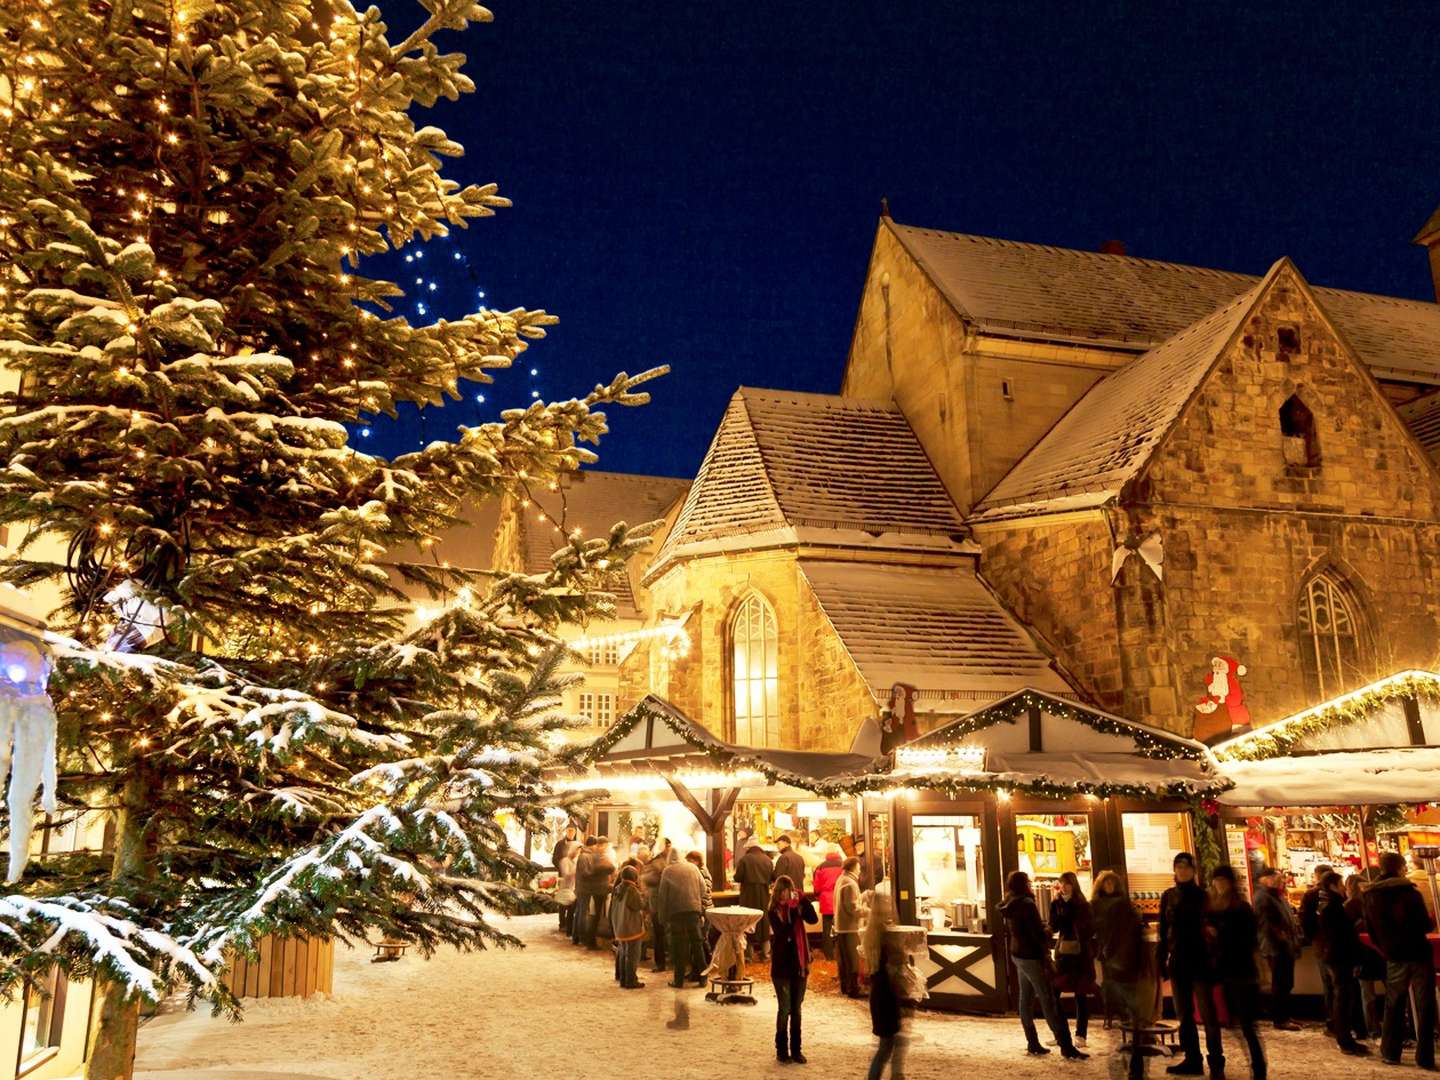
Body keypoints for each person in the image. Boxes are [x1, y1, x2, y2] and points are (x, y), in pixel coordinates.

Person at [999, 870, 1086, 1060]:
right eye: (1028, 883)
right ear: (1025, 885)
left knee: (1026, 999)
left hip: (1017, 954)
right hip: (1031, 956)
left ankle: (1032, 1042)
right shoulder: (1027, 904)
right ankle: (1065, 1045)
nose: (1031, 885)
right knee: (1048, 999)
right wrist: (1048, 931)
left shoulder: (1009, 902)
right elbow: (1037, 933)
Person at [1363, 850, 1437, 1069]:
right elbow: (1424, 924)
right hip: (1417, 953)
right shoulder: (1409, 893)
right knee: (1425, 1004)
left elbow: (1370, 928)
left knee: (1393, 1004)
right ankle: (1424, 1056)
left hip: (1394, 955)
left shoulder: (1370, 894)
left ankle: (1390, 1051)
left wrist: (1385, 948)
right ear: (1400, 867)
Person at [1204, 865, 1267, 1080]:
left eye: (1223, 880)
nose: (1219, 884)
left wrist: (1219, 934)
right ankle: (1217, 1067)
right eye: (1216, 880)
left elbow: (1248, 941)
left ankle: (1259, 1068)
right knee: (1218, 1021)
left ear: (1231, 883)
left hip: (1240, 971)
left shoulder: (1241, 908)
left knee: (1247, 1025)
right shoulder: (1210, 908)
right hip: (1217, 971)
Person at [1158, 851, 1217, 1076]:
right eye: (1178, 866)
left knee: (1207, 1014)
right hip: (1178, 959)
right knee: (1184, 1014)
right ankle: (1193, 1059)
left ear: (1193, 870)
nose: (1182, 870)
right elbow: (1164, 930)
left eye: (1186, 866)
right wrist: (1163, 958)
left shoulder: (1203, 896)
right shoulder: (1168, 896)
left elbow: (1211, 926)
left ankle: (1216, 1062)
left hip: (1200, 958)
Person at [1092, 870, 1145, 1080]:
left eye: (1113, 883)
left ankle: (1135, 1058)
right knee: (1121, 1001)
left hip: (1122, 961)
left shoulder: (1123, 906)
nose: (1110, 886)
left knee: (1131, 1007)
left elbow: (1128, 932)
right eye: (1106, 883)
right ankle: (1130, 1052)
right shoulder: (1095, 906)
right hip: (1111, 960)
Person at [1314, 870, 1369, 1055]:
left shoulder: (1330, 906)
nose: (1343, 888)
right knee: (1343, 998)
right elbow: (1342, 936)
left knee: (1343, 997)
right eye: (1340, 885)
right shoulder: (1334, 907)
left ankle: (1346, 1037)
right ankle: (1345, 1040)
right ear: (1332, 886)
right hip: (1340, 957)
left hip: (1336, 956)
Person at [768, 874, 818, 1065]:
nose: (785, 896)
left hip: (799, 965)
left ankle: (796, 1050)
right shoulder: (773, 911)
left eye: (788, 892)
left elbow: (812, 919)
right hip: (781, 968)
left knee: (796, 1009)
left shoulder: (797, 906)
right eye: (781, 892)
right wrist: (793, 913)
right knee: (785, 1009)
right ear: (777, 893)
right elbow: (782, 935)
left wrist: (803, 901)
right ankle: (782, 1049)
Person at [1050, 870, 1097, 1048]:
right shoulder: (1057, 903)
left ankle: (1081, 1034)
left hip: (1080, 955)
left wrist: (1075, 923)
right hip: (1063, 952)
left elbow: (1089, 928)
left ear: (1073, 884)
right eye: (1061, 883)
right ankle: (1060, 1032)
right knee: (1054, 993)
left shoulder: (1083, 904)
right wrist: (1057, 909)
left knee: (1081, 993)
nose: (1063, 886)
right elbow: (1054, 926)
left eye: (1067, 883)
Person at [1251, 867, 1301, 1030]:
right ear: (1265, 879)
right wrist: (1283, 938)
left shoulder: (1275, 895)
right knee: (1280, 983)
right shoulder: (1263, 897)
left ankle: (1285, 1015)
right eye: (1277, 878)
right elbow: (1268, 924)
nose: (1282, 881)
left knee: (1286, 982)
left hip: (1284, 945)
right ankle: (1280, 1019)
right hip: (1275, 947)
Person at [657, 850, 707, 988]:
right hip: (693, 911)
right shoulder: (693, 868)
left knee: (679, 946)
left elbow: (662, 896)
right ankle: (703, 977)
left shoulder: (667, 871)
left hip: (676, 912)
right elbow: (703, 890)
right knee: (697, 944)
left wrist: (662, 917)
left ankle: (678, 980)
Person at [1345, 873, 1385, 1039]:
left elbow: (1346, 932)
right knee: (1391, 990)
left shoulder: (1348, 906)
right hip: (1379, 951)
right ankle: (1393, 1026)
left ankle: (1372, 1028)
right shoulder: (1373, 903)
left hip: (1361, 953)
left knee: (1367, 994)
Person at [1299, 864, 1335, 1028]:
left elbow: (1304, 919)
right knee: (1338, 982)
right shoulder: (1336, 893)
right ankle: (1340, 1020)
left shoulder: (1311, 894)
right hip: (1330, 943)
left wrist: (1312, 938)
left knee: (1329, 983)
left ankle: (1332, 1019)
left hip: (1320, 943)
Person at [867, 937, 907, 1080]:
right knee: (886, 1047)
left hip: (885, 1007)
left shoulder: (880, 974)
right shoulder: (884, 977)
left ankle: (896, 1076)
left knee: (889, 1046)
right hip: (886, 1008)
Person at [735, 836, 775, 961]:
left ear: (749, 847)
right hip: (763, 894)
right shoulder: (768, 860)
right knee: (763, 921)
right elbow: (772, 877)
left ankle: (748, 954)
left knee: (748, 921)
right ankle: (766, 954)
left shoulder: (745, 859)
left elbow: (738, 877)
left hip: (748, 894)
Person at [834, 856, 870, 998]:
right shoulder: (849, 883)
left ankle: (846, 986)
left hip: (841, 926)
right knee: (853, 959)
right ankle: (853, 989)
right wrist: (870, 912)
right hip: (849, 927)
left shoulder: (842, 879)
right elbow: (853, 908)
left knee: (845, 959)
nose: (860, 868)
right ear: (854, 867)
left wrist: (863, 896)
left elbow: (849, 902)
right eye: (859, 866)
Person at [611, 865, 648, 990]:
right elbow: (638, 905)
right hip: (631, 927)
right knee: (632, 955)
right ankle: (631, 980)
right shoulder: (632, 890)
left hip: (620, 926)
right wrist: (644, 897)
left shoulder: (617, 888)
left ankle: (622, 978)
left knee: (622, 952)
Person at [642, 840, 675, 973]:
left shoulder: (670, 862)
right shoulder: (655, 862)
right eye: (667, 846)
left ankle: (670, 959)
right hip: (657, 904)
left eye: (669, 846)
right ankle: (660, 963)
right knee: (659, 934)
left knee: (669, 934)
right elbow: (646, 879)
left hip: (669, 904)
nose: (668, 848)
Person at [580, 835, 615, 950]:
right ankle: (590, 941)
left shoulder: (596, 855)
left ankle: (590, 939)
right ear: (601, 845)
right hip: (599, 889)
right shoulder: (598, 856)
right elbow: (610, 868)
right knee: (595, 915)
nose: (605, 848)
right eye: (604, 845)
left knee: (595, 915)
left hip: (597, 888)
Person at [813, 846, 844, 960]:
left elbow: (816, 885)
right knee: (841, 927)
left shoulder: (821, 866)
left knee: (826, 929)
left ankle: (828, 954)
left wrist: (817, 895)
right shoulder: (844, 865)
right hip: (840, 899)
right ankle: (841, 954)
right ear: (837, 853)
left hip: (826, 900)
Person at [552, 825, 580, 932]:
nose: (571, 833)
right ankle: (562, 923)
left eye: (573, 831)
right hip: (563, 876)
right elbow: (554, 859)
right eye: (569, 831)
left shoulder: (578, 844)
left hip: (574, 878)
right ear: (566, 831)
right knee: (562, 900)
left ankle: (570, 923)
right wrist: (563, 866)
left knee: (572, 900)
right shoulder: (560, 844)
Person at [571, 836, 596, 945]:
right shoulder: (585, 856)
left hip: (582, 887)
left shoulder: (584, 855)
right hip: (584, 888)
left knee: (579, 912)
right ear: (592, 845)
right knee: (582, 912)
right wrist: (595, 871)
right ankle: (581, 936)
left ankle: (576, 936)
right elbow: (585, 873)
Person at [555, 837, 578, 941]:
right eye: (576, 851)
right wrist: (575, 871)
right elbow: (566, 874)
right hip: (565, 887)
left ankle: (568, 928)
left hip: (571, 888)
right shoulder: (564, 861)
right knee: (563, 906)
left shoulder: (574, 861)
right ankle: (562, 925)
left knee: (570, 909)